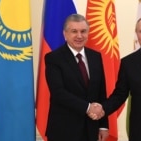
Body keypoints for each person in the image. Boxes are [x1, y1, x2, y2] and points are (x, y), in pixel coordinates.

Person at [44, 13, 109, 141]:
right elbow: (58, 93)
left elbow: (101, 92)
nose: (79, 36)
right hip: (63, 130)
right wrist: (88, 107)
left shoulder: (95, 57)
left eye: (83, 31)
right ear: (65, 34)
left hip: (91, 129)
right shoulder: (54, 58)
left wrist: (103, 126)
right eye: (74, 31)